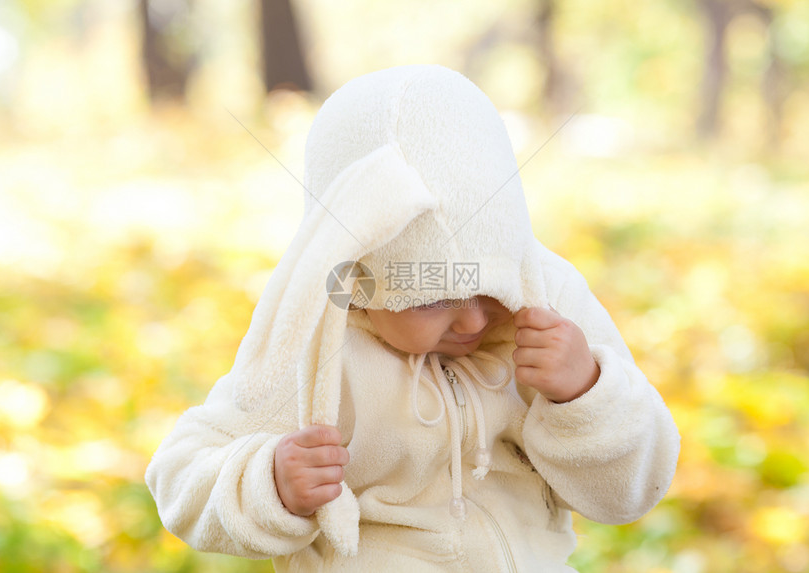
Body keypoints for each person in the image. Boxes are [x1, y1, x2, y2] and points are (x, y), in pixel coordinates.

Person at [145, 64, 680, 572]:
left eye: (486, 288)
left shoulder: (549, 303)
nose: (471, 321)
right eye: (429, 300)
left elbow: (631, 491)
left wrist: (583, 393)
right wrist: (270, 484)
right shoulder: (314, 346)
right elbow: (181, 475)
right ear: (358, 277)